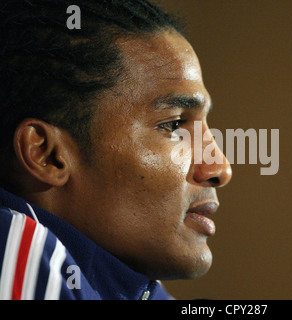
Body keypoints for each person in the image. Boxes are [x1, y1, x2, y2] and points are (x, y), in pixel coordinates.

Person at [0, 0, 232, 300]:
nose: (220, 168)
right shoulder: (15, 248)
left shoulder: (141, 288)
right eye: (174, 125)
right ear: (48, 155)